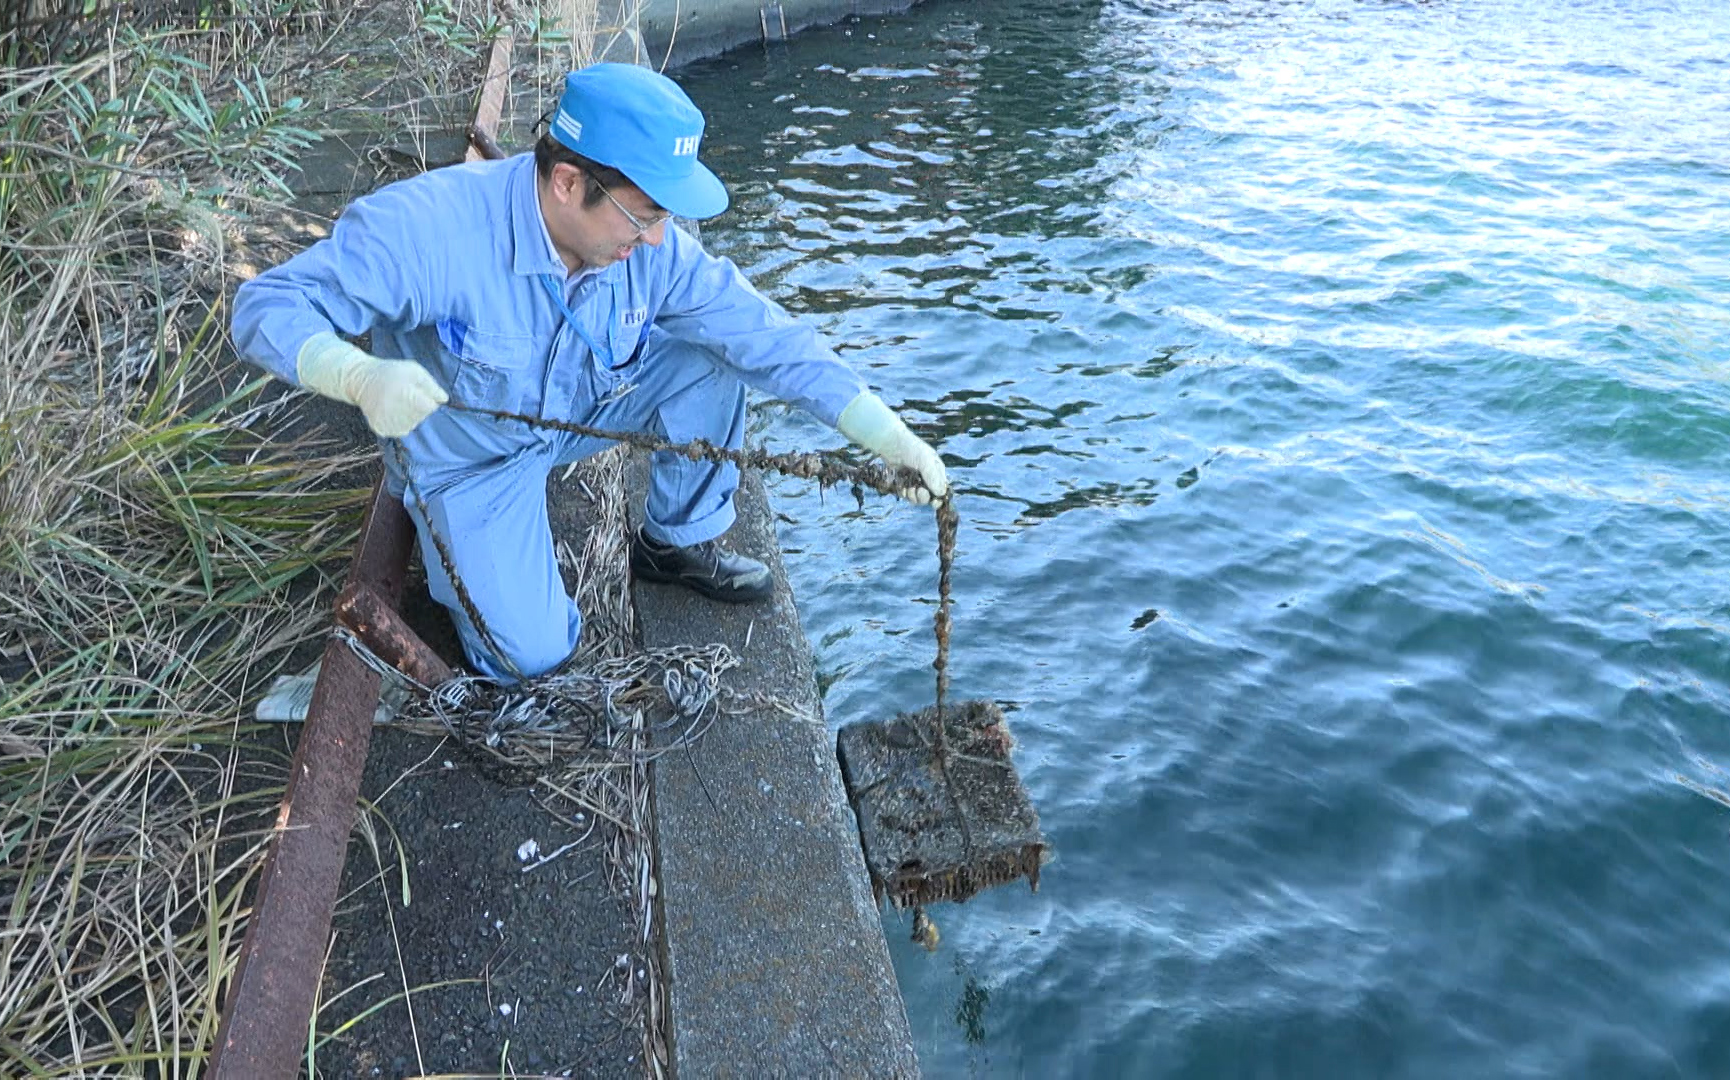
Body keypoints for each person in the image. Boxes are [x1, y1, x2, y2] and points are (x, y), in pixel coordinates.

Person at [232, 62, 947, 683]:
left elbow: (762, 333)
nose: (660, 239)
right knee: (530, 658)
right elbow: (266, 306)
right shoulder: (430, 230)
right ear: (569, 183)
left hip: (576, 410)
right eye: (644, 217)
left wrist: (885, 434)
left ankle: (673, 541)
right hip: (471, 462)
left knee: (713, 355)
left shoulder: (651, 249)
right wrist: (356, 376)